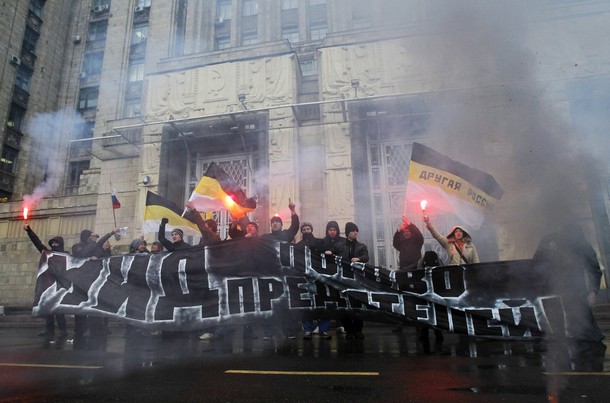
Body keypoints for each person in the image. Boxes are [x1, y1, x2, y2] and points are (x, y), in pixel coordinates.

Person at [533, 224, 604, 342]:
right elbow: (536, 264)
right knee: (557, 330)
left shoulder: (582, 245)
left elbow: (594, 269)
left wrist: (593, 291)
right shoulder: (549, 241)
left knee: (586, 330)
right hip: (553, 289)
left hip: (576, 290)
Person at [260, 200, 300, 339]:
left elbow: (295, 226)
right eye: (273, 222)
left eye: (277, 222)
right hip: (269, 275)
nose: (275, 224)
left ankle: (288, 331)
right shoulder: (265, 238)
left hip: (283, 275)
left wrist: (293, 210)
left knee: (285, 304)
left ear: (282, 225)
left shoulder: (285, 235)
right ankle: (269, 332)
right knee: (270, 304)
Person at [23, 224, 68, 339]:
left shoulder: (66, 255)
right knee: (48, 310)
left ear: (60, 243)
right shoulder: (48, 253)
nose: (53, 245)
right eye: (52, 243)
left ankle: (63, 331)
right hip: (49, 285)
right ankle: (50, 330)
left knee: (59, 310)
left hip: (61, 286)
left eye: (56, 243)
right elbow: (37, 243)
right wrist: (29, 231)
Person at [296, 222, 331, 340]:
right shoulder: (298, 245)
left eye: (308, 229)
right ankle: (307, 330)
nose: (306, 231)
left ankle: (323, 329)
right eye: (304, 229)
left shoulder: (319, 242)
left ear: (312, 229)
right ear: (301, 231)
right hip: (305, 278)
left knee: (322, 304)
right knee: (306, 305)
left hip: (319, 278)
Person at [335, 222, 369, 340]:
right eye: (353, 230)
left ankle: (358, 330)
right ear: (348, 232)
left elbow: (366, 257)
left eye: (357, 231)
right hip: (343, 279)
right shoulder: (339, 245)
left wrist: (359, 259)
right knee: (344, 305)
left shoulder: (361, 246)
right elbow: (332, 253)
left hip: (357, 280)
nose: (356, 233)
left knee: (358, 305)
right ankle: (349, 330)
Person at [416, 251, 444, 351]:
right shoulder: (439, 265)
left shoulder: (421, 263)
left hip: (425, 293)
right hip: (435, 293)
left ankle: (424, 333)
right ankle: (437, 333)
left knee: (426, 313)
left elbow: (417, 270)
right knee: (435, 313)